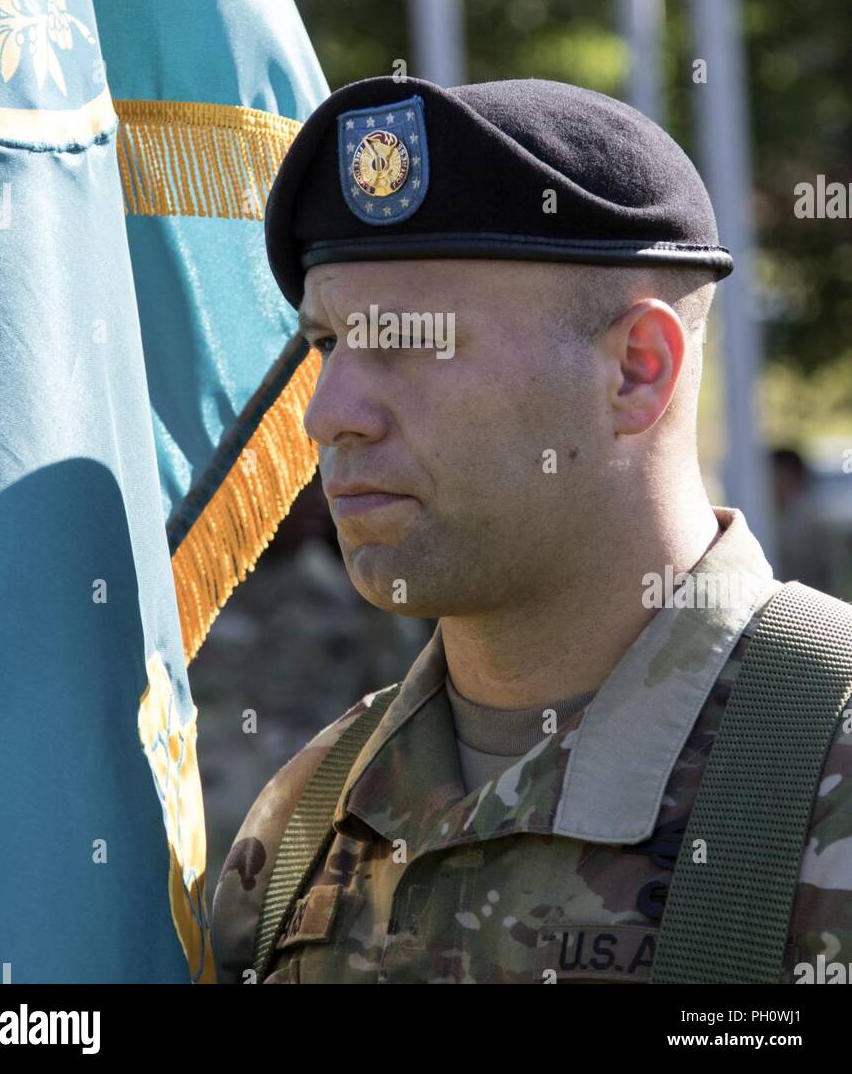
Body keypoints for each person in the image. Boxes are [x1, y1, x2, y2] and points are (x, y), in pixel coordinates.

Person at [211, 75, 852, 985]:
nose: (329, 413)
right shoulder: (306, 816)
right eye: (326, 345)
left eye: (406, 339)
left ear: (636, 370)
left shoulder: (820, 773)